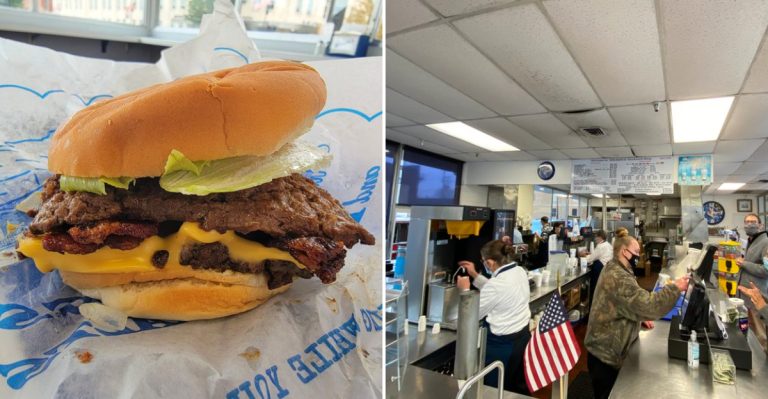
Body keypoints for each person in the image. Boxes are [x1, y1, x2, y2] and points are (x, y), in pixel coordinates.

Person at [585, 234, 689, 399]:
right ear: (624, 252)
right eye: (635, 252)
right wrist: (675, 288)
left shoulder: (618, 267)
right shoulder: (618, 276)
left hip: (607, 349)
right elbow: (649, 305)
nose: (638, 256)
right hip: (605, 355)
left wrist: (638, 315)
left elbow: (627, 302)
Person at [456, 240, 531, 395]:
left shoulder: (496, 285)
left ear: (490, 263)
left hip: (502, 345)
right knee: (515, 387)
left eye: (483, 261)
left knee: (493, 390)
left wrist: (464, 291)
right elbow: (497, 289)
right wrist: (474, 274)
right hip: (523, 337)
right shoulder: (519, 271)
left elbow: (471, 315)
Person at [737, 214, 768, 307]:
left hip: (757, 296)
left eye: (753, 222)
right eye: (747, 222)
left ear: (760, 225)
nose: (749, 225)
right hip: (745, 295)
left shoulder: (765, 242)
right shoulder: (751, 241)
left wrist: (744, 263)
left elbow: (766, 270)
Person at [579, 230, 612, 306]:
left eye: (596, 237)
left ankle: (592, 304)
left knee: (594, 287)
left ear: (600, 237)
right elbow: (597, 255)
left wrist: (582, 255)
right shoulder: (608, 244)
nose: (595, 238)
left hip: (599, 269)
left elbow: (590, 259)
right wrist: (591, 254)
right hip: (606, 268)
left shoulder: (600, 246)